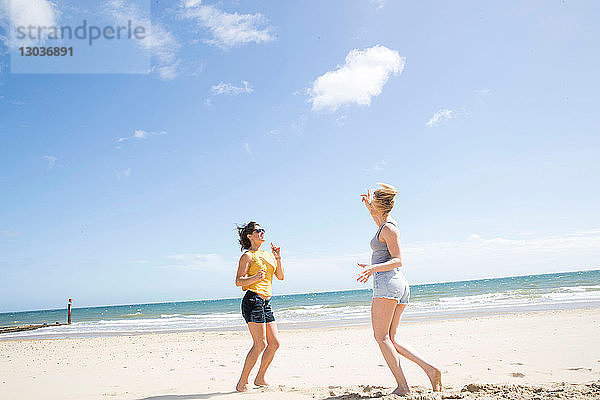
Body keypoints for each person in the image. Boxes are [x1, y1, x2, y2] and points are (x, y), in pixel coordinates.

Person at [358, 183, 442, 395]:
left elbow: (398, 260)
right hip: (397, 285)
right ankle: (431, 370)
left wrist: (372, 268)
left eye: (374, 204)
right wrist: (370, 207)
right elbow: (378, 221)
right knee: (391, 339)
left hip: (388, 283)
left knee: (381, 337)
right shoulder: (385, 223)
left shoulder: (389, 228)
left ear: (380, 204)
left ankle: (403, 387)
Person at [234, 221, 284, 392]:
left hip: (265, 302)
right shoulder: (247, 256)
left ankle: (260, 377)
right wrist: (255, 277)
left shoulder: (269, 255)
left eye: (263, 230)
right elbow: (238, 281)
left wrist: (277, 257)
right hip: (252, 300)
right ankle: (242, 382)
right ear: (249, 235)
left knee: (274, 343)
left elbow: (280, 276)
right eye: (258, 230)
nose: (262, 232)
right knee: (260, 344)